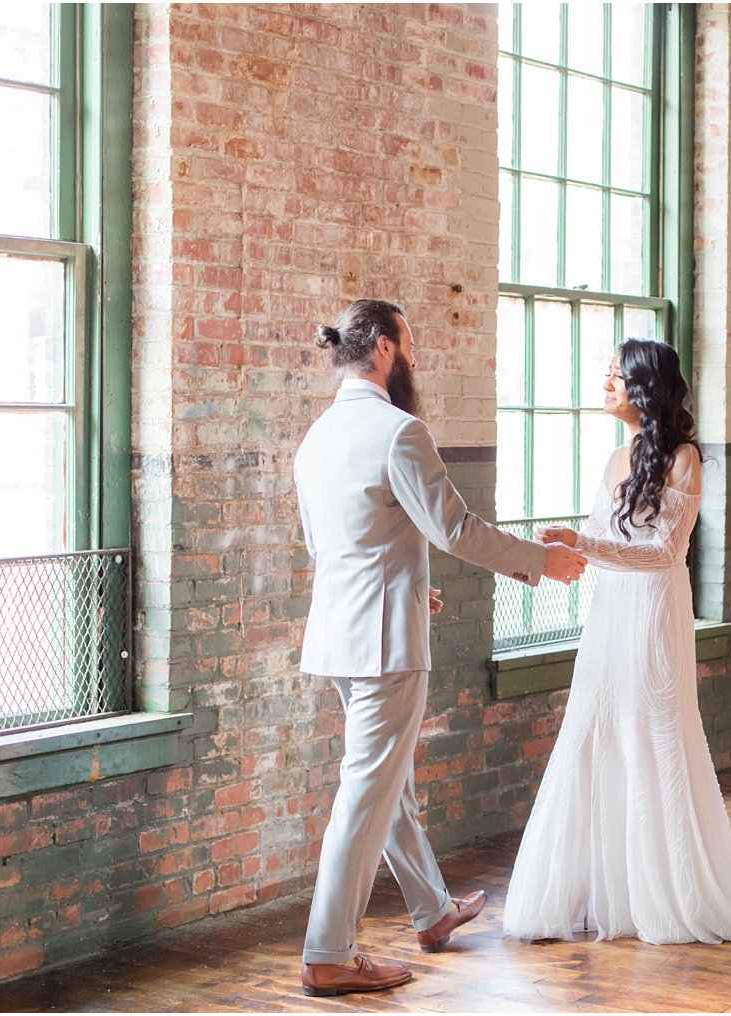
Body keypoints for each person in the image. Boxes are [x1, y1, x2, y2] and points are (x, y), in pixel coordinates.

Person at [295, 299, 588, 997]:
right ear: (386, 349)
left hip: (341, 635)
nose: (417, 357)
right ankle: (327, 951)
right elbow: (454, 528)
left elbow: (334, 547)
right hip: (386, 646)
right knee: (364, 797)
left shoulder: (315, 439)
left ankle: (431, 912)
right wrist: (541, 561)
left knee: (384, 787)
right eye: (413, 343)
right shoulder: (399, 432)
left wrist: (407, 587)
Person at [502, 338, 731, 945]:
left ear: (644, 387)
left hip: (654, 610)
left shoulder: (684, 460)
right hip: (610, 612)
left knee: (654, 734)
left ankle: (666, 892)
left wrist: (584, 545)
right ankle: (598, 892)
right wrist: (562, 553)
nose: (605, 384)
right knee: (595, 731)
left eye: (615, 376)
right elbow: (599, 539)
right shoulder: (615, 457)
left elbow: (663, 553)